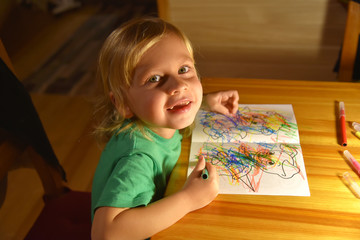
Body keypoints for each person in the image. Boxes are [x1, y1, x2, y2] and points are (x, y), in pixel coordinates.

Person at [91, 17, 239, 239]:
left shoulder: (152, 119)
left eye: (183, 69)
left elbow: (165, 105)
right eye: (155, 78)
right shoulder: (138, 160)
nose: (179, 86)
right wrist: (189, 199)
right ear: (122, 103)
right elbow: (106, 234)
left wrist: (206, 102)